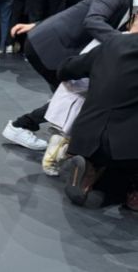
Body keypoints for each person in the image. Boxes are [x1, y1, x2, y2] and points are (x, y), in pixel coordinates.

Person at [1, 0, 138, 150]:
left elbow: (76, 11)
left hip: (56, 46)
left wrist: (37, 24)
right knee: (73, 96)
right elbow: (92, 20)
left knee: (71, 96)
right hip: (49, 48)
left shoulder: (127, 1)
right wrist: (122, 44)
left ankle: (43, 129)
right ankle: (22, 126)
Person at [57, 29, 138, 210]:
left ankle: (89, 170)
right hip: (127, 147)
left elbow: (66, 69)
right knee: (123, 170)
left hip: (85, 136)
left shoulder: (111, 44)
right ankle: (130, 192)